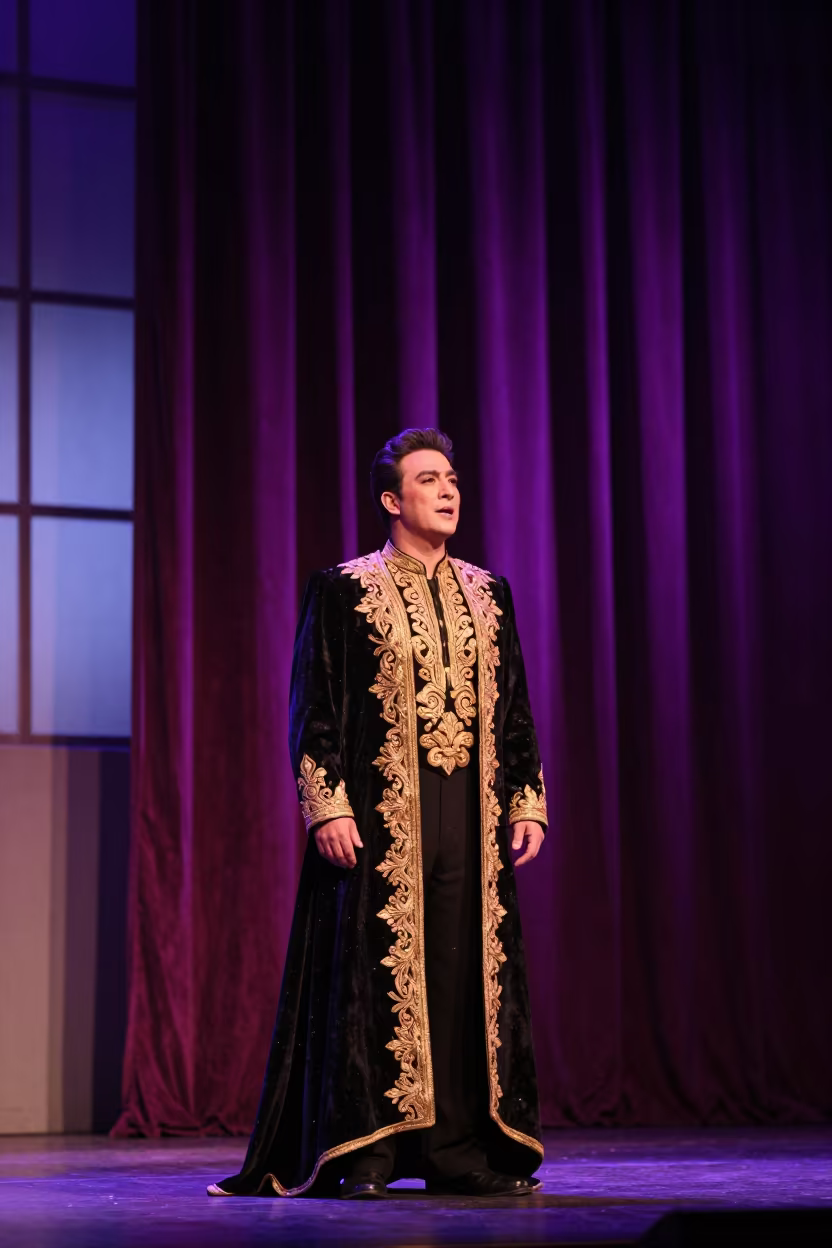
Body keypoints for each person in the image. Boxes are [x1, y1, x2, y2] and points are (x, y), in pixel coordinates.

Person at [208, 427, 547, 1200]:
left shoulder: (489, 594)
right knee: (374, 970)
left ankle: (458, 1148)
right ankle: (368, 1148)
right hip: (381, 814)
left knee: (463, 968)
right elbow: (313, 705)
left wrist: (527, 799)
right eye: (430, 479)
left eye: (453, 477)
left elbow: (517, 708)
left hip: (469, 810)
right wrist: (325, 804)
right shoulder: (345, 588)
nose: (449, 489)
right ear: (393, 500)